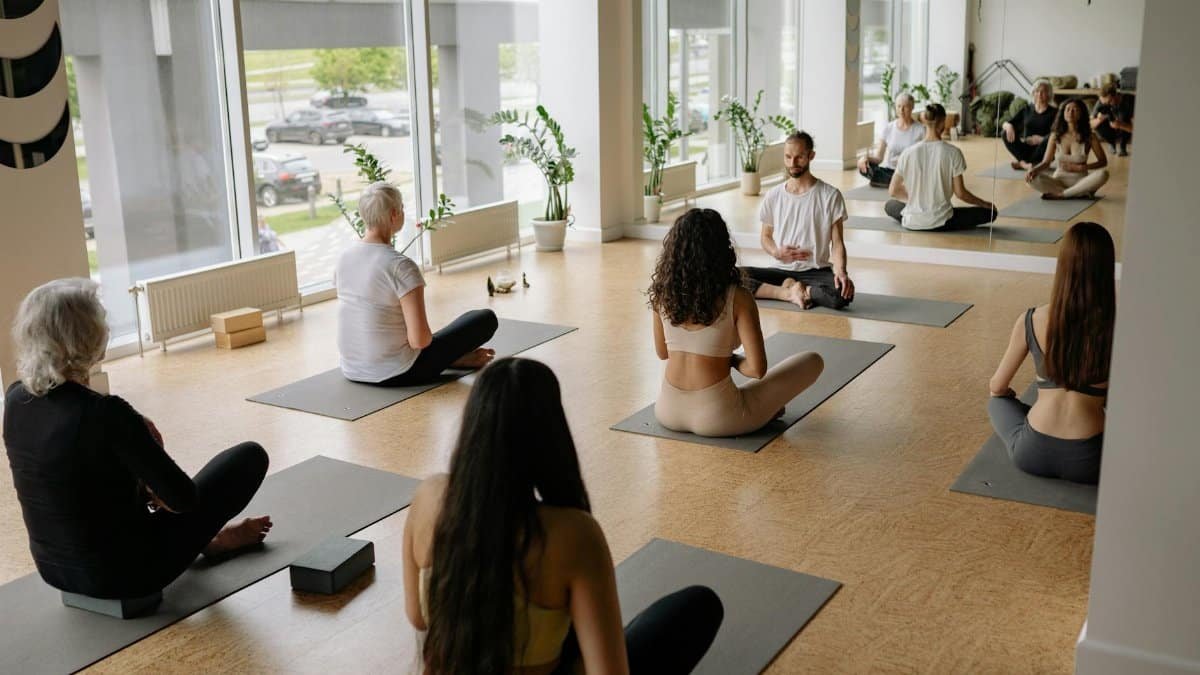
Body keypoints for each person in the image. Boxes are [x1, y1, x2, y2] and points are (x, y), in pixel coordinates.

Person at [403, 357, 724, 674]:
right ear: (551, 435)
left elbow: (418, 616)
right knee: (696, 606)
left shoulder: (428, 497)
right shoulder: (572, 534)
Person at [2, 278, 272, 600]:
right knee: (248, 457)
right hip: (127, 576)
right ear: (91, 339)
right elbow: (182, 499)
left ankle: (209, 543)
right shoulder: (107, 413)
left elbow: (74, 476)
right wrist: (147, 455)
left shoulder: (16, 398)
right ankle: (208, 541)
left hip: (54, 569)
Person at [650, 208, 826, 438]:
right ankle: (762, 412)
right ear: (722, 250)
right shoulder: (738, 297)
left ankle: (759, 409)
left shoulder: (663, 294)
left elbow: (663, 353)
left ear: (673, 251)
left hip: (666, 412)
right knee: (812, 361)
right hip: (720, 418)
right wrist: (729, 360)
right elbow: (756, 370)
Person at [987, 222, 1114, 484]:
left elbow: (997, 387)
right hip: (1091, 463)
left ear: (1063, 266)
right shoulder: (1120, 327)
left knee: (996, 402)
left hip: (1031, 453)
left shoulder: (1031, 319)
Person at [335, 181, 497, 386]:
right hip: (400, 372)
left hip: (352, 369)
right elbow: (420, 341)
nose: (403, 213)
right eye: (402, 208)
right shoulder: (400, 266)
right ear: (394, 215)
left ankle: (453, 359)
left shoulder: (344, 257)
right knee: (484, 318)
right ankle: (454, 359)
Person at [742, 130, 855, 311]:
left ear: (811, 156)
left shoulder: (830, 195)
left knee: (842, 294)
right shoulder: (773, 195)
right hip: (780, 270)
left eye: (799, 157)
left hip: (816, 272)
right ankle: (789, 291)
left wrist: (841, 271)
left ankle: (802, 289)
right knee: (733, 276)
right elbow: (766, 236)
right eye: (788, 157)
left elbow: (838, 243)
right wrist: (777, 252)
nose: (792, 163)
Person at [885, 103, 998, 231]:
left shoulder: (907, 153)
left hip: (912, 221)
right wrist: (984, 203)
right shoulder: (953, 152)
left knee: (890, 205)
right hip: (942, 221)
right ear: (943, 123)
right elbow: (961, 193)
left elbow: (893, 190)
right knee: (990, 213)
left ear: (925, 122)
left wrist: (915, 201)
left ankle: (917, 216)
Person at [1026, 98, 1110, 200]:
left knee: (1103, 174)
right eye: (1068, 109)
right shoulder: (1055, 135)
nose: (1070, 112)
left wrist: (1082, 168)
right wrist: (1034, 170)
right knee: (1032, 179)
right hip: (1058, 181)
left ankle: (1064, 194)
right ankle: (1077, 193)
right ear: (1063, 113)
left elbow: (1103, 161)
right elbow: (1046, 162)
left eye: (1075, 109)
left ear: (1081, 114)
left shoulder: (1089, 136)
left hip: (1081, 181)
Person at [858, 92, 926, 188]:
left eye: (905, 107)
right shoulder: (889, 128)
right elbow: (878, 158)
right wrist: (865, 158)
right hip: (890, 171)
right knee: (865, 166)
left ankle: (887, 182)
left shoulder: (920, 129)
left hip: (910, 172)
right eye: (898, 106)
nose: (901, 110)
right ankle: (893, 183)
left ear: (912, 107)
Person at [1001, 79, 1057, 170]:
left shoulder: (1054, 112)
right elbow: (1005, 123)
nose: (1039, 94)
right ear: (1033, 93)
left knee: (1051, 138)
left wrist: (1041, 139)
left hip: (1043, 149)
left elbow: (1059, 133)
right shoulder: (1026, 109)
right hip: (1025, 148)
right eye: (1037, 91)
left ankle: (1022, 163)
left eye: (1043, 91)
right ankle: (1026, 163)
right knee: (1004, 133)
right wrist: (1009, 126)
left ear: (1049, 94)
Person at [1090, 82, 1134, 156]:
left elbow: (1139, 129)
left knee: (1125, 118)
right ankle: (1111, 143)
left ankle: (1122, 146)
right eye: (1104, 103)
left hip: (1125, 129)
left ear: (1116, 95)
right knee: (1098, 124)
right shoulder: (1102, 102)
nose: (1108, 104)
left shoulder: (1130, 101)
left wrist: (1120, 125)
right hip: (1111, 129)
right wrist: (1100, 119)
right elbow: (1090, 124)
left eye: (1110, 101)